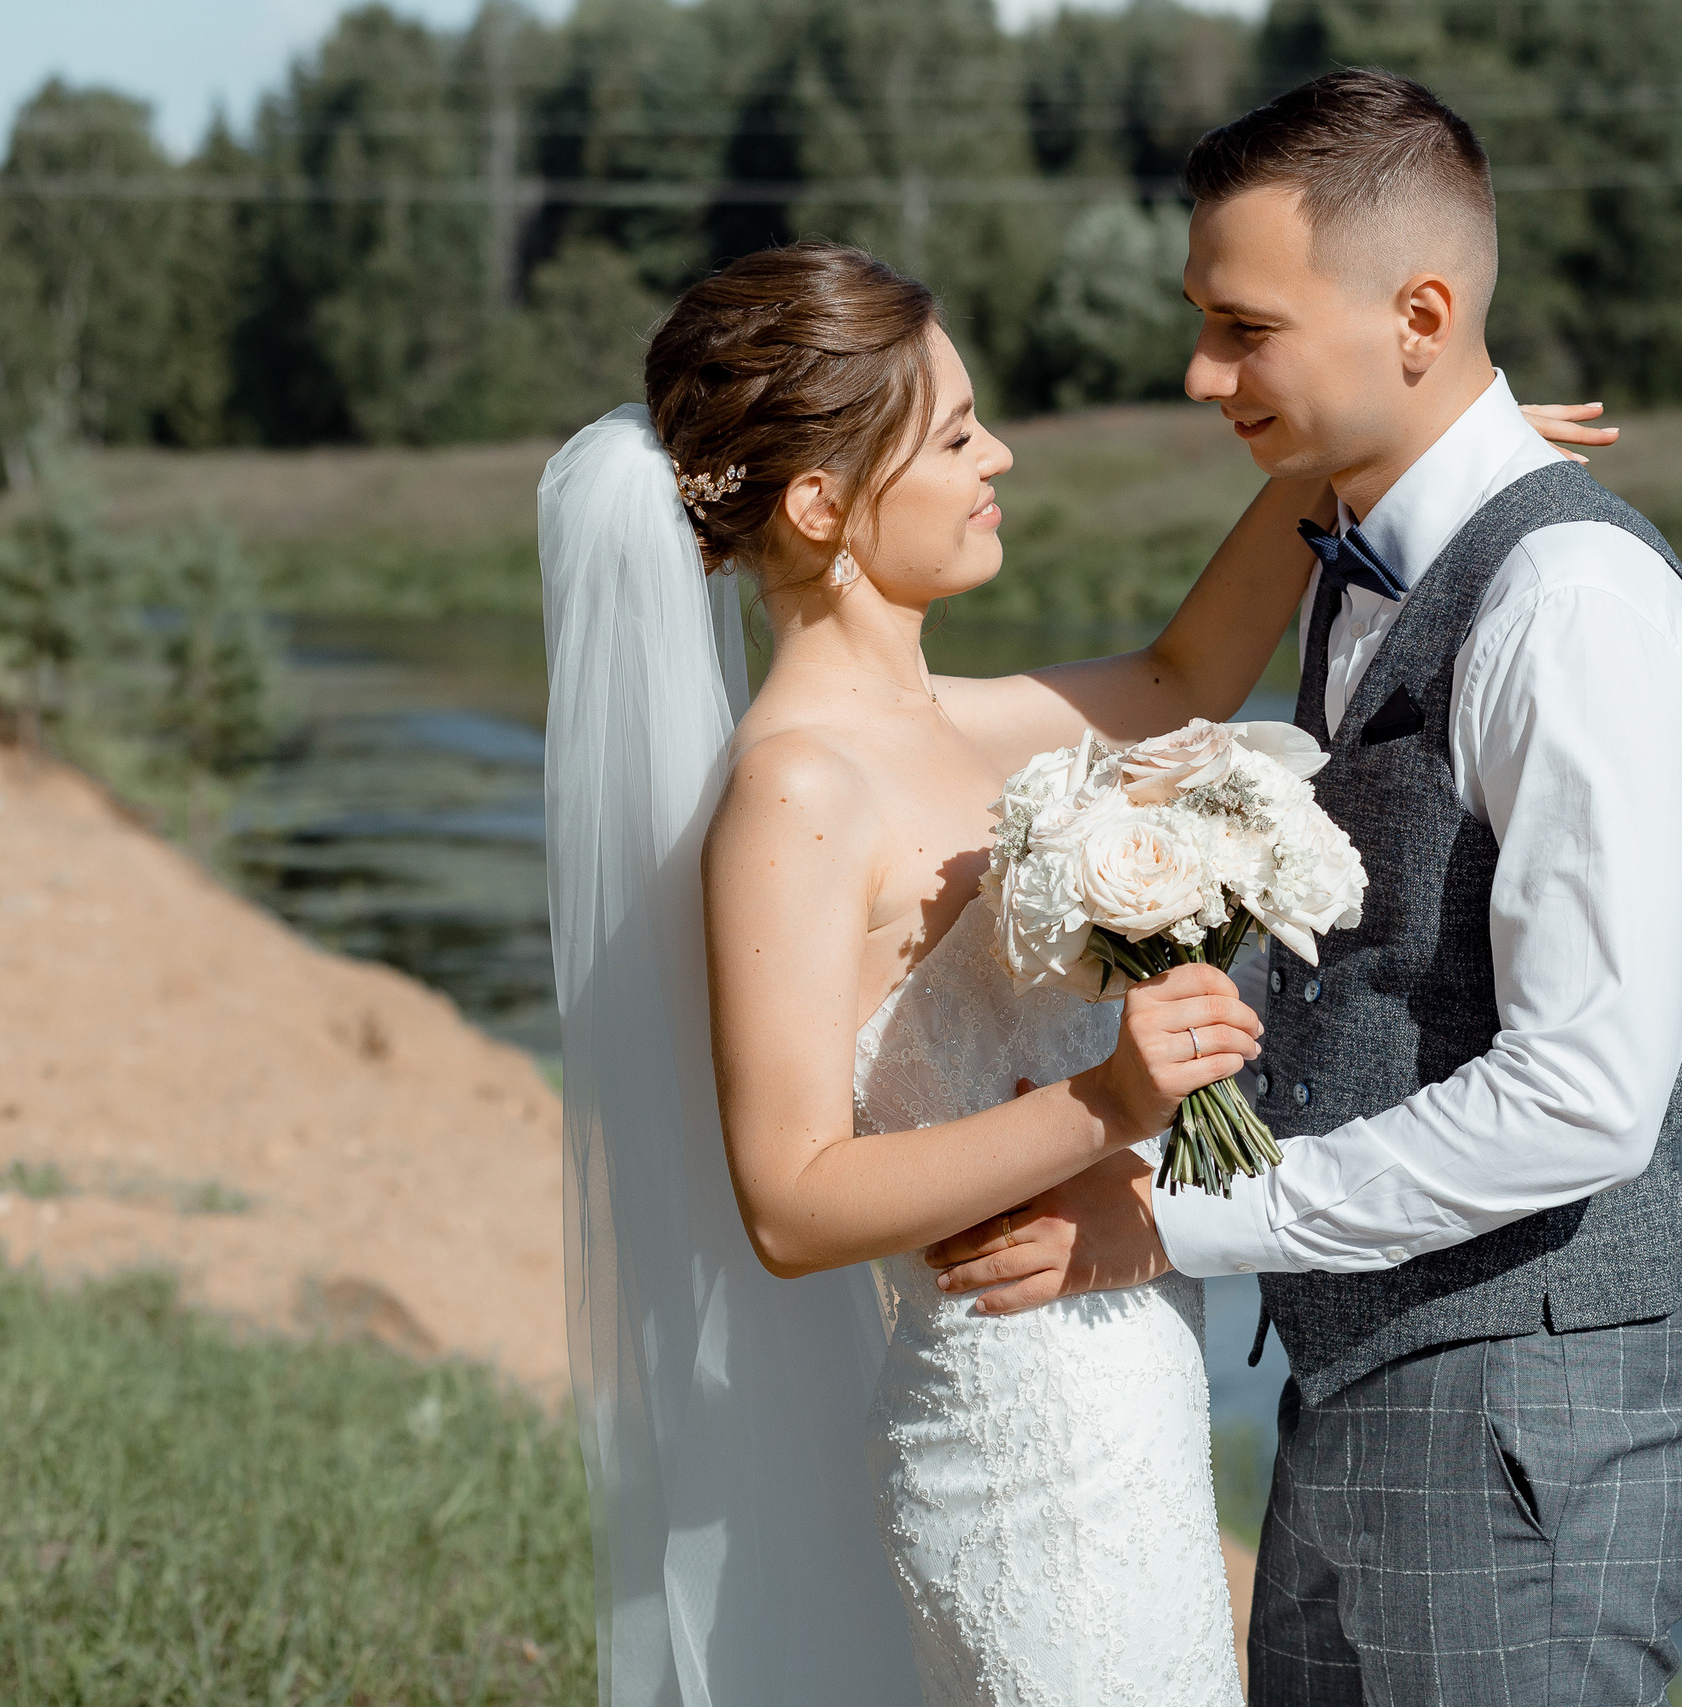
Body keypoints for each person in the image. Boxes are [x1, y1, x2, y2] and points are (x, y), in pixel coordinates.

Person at [541, 238, 1611, 1707]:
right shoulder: (795, 795)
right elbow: (790, 1203)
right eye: (958, 433)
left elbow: (1184, 680)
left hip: (1124, 1396)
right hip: (1007, 1431)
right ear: (820, 504)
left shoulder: (977, 721)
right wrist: (1111, 1099)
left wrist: (1404, 455)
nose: (1004, 456)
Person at [929, 70, 1682, 1707]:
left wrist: (1171, 1217)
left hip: (1511, 1417)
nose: (1199, 371)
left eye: (1245, 329)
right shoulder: (1371, 561)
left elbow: (1590, 1097)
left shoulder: (1571, 607)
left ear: (1422, 315)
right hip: (1388, 1389)